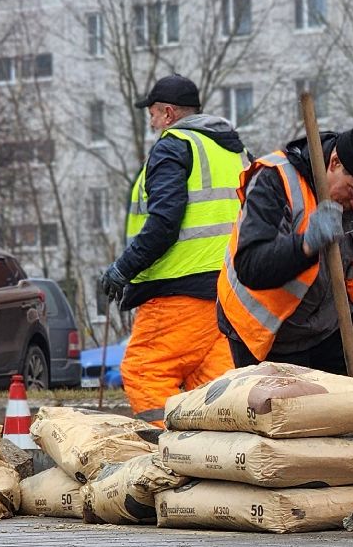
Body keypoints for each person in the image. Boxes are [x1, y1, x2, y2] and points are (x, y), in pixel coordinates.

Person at [216, 125, 353, 467]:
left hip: (328, 321)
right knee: (281, 423)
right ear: (334, 162)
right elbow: (251, 266)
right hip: (265, 330)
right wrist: (308, 242)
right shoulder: (275, 180)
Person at [97, 75, 244, 424]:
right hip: (229, 292)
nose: (151, 123)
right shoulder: (234, 151)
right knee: (212, 389)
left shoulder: (173, 146)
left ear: (167, 113)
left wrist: (122, 269)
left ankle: (171, 449)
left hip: (178, 291)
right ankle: (212, 453)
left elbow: (164, 222)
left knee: (145, 370)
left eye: (152, 114)